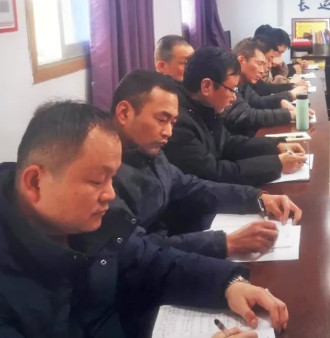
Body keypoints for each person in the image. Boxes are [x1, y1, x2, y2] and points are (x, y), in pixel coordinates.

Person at [0, 101, 289, 337]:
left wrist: (228, 284)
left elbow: (150, 261)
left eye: (112, 178)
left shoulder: (86, 221)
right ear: (35, 182)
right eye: (97, 181)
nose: (110, 194)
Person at [111, 70, 302, 259]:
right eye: (161, 120)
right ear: (124, 113)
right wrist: (225, 243)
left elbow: (191, 187)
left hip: (175, 247)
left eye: (172, 122)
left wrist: (257, 198)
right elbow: (133, 252)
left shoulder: (146, 149)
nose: (168, 132)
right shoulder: (105, 169)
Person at [161, 47, 307, 186]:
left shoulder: (206, 107)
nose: (234, 97)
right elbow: (213, 173)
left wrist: (276, 146)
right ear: (206, 86)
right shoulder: (178, 122)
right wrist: (276, 164)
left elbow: (228, 143)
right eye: (231, 89)